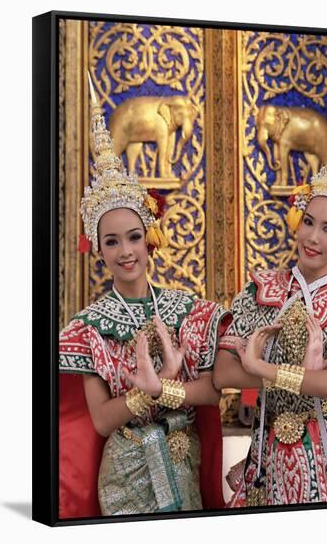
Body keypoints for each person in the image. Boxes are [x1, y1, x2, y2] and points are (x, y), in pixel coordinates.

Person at [58, 76, 231, 518]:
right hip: (125, 468)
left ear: (149, 237)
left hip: (179, 456)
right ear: (96, 248)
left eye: (133, 237)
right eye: (111, 242)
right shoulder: (86, 327)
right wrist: (146, 396)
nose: (125, 251)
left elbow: (212, 393)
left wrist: (164, 389)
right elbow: (100, 419)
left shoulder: (189, 310)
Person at [213, 100, 327, 506]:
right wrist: (295, 376)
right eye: (308, 221)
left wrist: (259, 368)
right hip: (269, 457)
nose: (313, 238)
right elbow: (221, 374)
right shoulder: (260, 290)